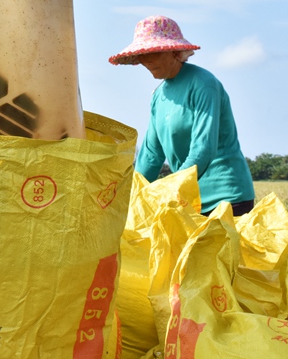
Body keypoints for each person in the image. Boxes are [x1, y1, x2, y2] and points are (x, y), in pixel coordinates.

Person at [109, 15, 255, 216]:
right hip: (186, 200)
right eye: (142, 54)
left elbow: (203, 148)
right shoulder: (159, 96)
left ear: (175, 52)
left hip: (225, 200)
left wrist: (170, 190)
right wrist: (130, 198)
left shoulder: (204, 84)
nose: (145, 61)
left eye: (152, 53)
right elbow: (151, 154)